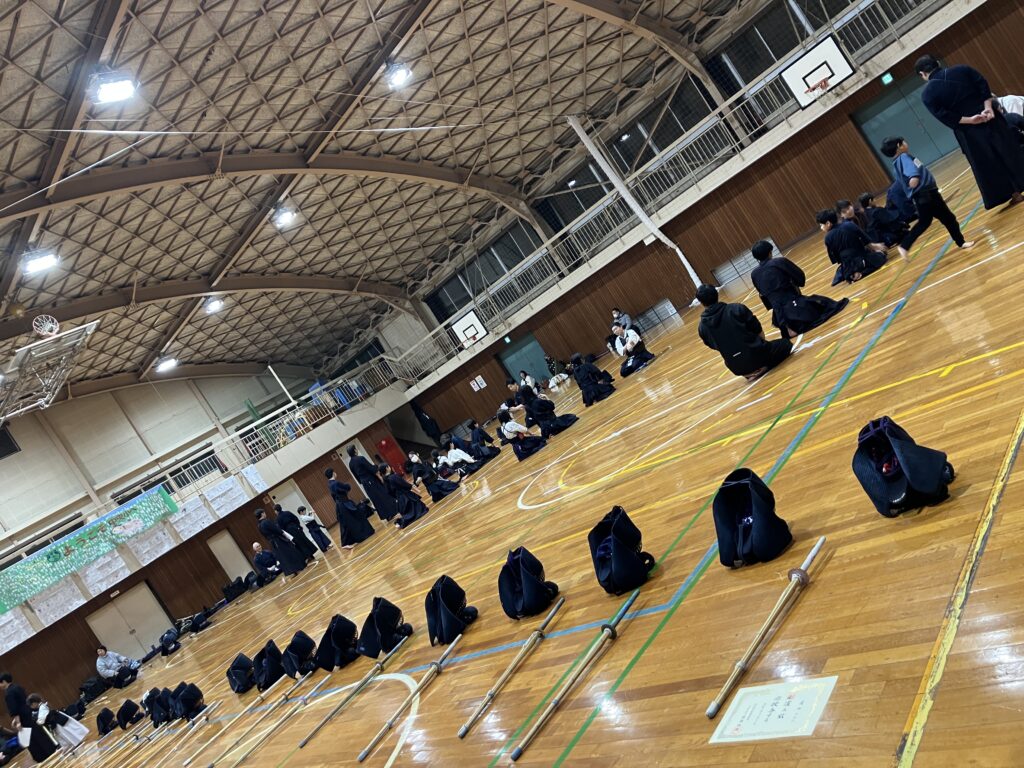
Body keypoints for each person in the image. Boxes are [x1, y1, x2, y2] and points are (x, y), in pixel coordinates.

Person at [916, 55, 1024, 208]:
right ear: (938, 63)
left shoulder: (927, 94)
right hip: (991, 118)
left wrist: (970, 120)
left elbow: (944, 115)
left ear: (922, 74)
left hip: (969, 132)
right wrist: (988, 108)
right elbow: (983, 85)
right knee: (1010, 150)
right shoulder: (962, 69)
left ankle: (1014, 194)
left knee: (989, 163)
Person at [880, 136, 975, 259]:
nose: (906, 143)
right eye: (903, 142)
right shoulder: (903, 157)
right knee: (946, 219)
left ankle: (905, 246)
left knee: (930, 221)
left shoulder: (896, 163)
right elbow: (912, 174)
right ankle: (960, 242)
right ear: (899, 146)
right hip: (926, 195)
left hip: (925, 195)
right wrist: (914, 178)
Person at [750, 239, 848, 338]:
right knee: (826, 305)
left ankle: (788, 327)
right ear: (770, 252)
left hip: (778, 316)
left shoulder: (754, 274)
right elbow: (800, 277)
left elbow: (762, 294)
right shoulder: (779, 262)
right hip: (795, 306)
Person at [696, 285, 792, 380]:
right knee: (786, 344)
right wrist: (761, 347)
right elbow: (757, 330)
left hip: (736, 367)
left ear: (701, 303)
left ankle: (749, 372)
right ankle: (764, 367)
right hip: (757, 355)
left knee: (737, 360)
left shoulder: (702, 327)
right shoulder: (736, 308)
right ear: (717, 294)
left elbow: (714, 346)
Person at [816, 209, 887, 284]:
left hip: (848, 267)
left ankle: (854, 275)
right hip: (861, 258)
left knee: (843, 272)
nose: (821, 228)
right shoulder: (849, 224)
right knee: (881, 256)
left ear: (828, 223)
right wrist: (876, 248)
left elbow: (836, 259)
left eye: (821, 225)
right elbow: (866, 241)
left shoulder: (827, 238)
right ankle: (862, 271)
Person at [1, 674, 57, 764]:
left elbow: (14, 709)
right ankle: (50, 749)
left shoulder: (9, 693)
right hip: (30, 713)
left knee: (31, 739)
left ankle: (41, 756)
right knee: (38, 733)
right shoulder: (18, 687)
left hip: (23, 719)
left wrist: (18, 722)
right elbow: (23, 703)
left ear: (4, 681)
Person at [347, 446, 398, 522]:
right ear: (354, 450)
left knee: (376, 499)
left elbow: (356, 476)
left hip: (365, 483)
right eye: (356, 449)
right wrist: (376, 469)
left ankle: (386, 515)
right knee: (382, 495)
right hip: (371, 480)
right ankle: (392, 512)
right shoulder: (360, 458)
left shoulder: (350, 464)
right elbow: (370, 468)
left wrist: (363, 481)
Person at [326, 470, 375, 548]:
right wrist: (347, 485)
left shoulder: (330, 484)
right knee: (357, 517)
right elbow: (347, 488)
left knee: (348, 523)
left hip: (340, 505)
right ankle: (364, 534)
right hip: (345, 503)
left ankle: (347, 542)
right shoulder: (335, 483)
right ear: (333, 473)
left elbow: (334, 496)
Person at [255, 508, 306, 575]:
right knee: (289, 553)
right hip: (279, 540)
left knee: (283, 557)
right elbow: (277, 529)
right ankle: (297, 568)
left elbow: (265, 536)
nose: (265, 514)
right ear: (262, 514)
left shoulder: (259, 526)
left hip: (273, 543)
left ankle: (292, 571)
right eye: (264, 512)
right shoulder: (266, 521)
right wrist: (284, 535)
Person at [382, 464, 429, 528]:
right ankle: (401, 521)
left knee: (410, 511)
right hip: (405, 495)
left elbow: (389, 492)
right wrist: (415, 489)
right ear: (387, 468)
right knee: (419, 510)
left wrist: (396, 497)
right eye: (388, 466)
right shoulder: (393, 476)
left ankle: (400, 521)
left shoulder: (385, 481)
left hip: (399, 498)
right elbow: (404, 484)